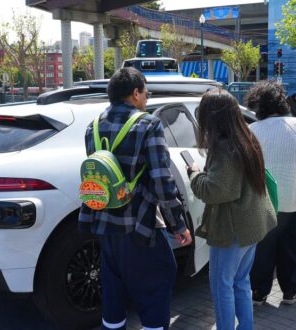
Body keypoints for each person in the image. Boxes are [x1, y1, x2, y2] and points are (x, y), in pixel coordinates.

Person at [78, 67, 192, 330]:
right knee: (157, 285)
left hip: (105, 227)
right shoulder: (148, 124)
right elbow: (162, 180)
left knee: (113, 293)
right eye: (146, 93)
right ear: (135, 93)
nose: (147, 99)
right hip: (140, 227)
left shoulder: (92, 127)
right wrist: (178, 224)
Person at [188, 89, 276, 330]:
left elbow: (217, 191)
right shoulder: (246, 137)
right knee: (240, 280)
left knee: (221, 284)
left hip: (233, 228)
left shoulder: (225, 147)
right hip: (252, 223)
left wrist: (194, 173)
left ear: (212, 117)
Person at [246, 81, 296, 306]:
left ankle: (258, 292)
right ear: (282, 102)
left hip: (262, 202)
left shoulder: (252, 130)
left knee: (262, 249)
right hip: (295, 199)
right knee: (291, 247)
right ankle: (291, 291)